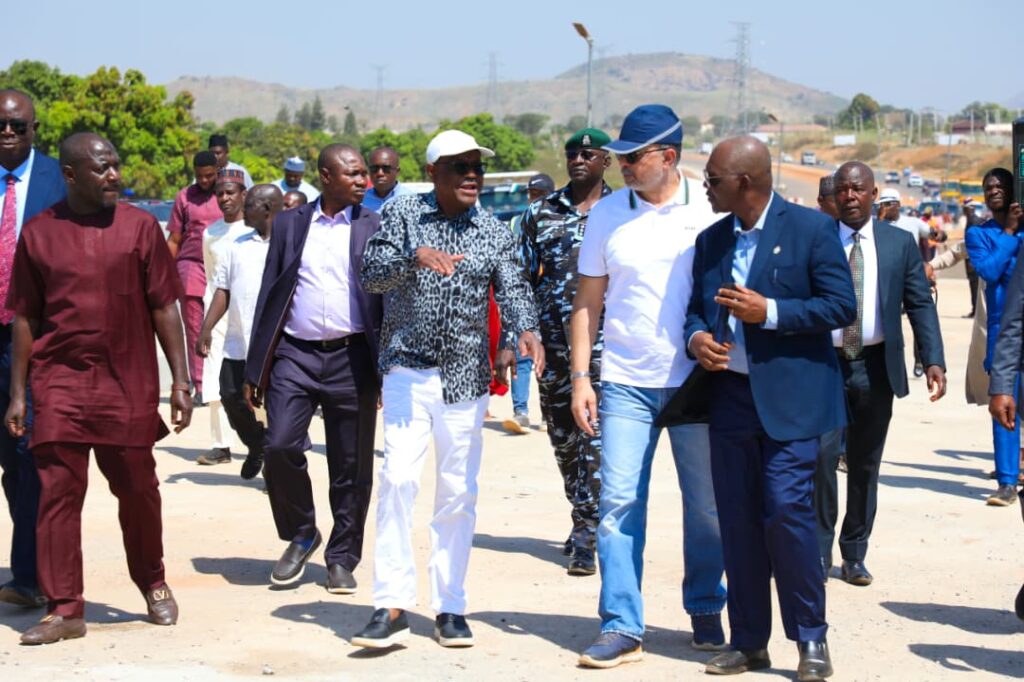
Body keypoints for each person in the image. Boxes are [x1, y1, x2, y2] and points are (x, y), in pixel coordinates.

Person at [352, 129, 542, 649]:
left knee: (457, 490)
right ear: (434, 172)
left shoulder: (494, 231)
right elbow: (370, 274)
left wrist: (525, 329)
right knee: (397, 481)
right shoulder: (403, 215)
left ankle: (450, 607)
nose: (472, 176)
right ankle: (390, 604)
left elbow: (515, 288)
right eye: (460, 167)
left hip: (465, 378)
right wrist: (414, 256)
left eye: (477, 167)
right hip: (407, 372)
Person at [5, 132, 193, 644]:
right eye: (102, 168)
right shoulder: (40, 233)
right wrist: (20, 393)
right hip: (60, 381)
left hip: (126, 381)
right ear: (70, 175)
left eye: (115, 165)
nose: (114, 175)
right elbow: (26, 316)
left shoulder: (139, 228)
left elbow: (163, 306)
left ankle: (152, 583)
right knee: (57, 497)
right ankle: (66, 608)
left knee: (138, 490)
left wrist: (181, 379)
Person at [687, 136, 856, 679]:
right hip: (731, 401)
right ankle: (749, 642)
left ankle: (811, 639)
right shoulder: (711, 240)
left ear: (744, 182)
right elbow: (693, 311)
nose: (706, 187)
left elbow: (840, 306)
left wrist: (772, 311)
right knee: (735, 522)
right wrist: (696, 340)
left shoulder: (811, 230)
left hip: (792, 403)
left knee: (787, 514)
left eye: (713, 179)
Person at [569, 105, 726, 669]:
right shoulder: (607, 215)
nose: (623, 164)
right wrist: (581, 379)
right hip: (626, 385)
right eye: (621, 155)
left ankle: (707, 606)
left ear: (669, 157)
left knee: (707, 507)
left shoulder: (710, 210)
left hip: (696, 386)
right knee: (617, 503)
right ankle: (621, 625)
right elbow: (587, 303)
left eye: (634, 156)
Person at [244, 144, 382, 591]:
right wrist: (255, 368)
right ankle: (302, 532)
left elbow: (385, 300)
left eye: (365, 173)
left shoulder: (372, 226)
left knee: (351, 465)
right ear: (326, 176)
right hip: (295, 355)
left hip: (353, 357)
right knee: (280, 445)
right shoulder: (288, 224)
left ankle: (342, 557)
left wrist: (386, 369)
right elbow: (271, 292)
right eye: (354, 173)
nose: (364, 180)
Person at [814, 162, 946, 588]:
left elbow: (919, 303)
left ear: (873, 195)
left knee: (865, 464)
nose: (850, 196)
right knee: (819, 459)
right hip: (823, 365)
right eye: (842, 189)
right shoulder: (816, 240)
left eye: (858, 189)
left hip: (875, 366)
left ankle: (854, 554)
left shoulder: (899, 243)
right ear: (834, 195)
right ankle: (817, 552)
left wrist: (933, 359)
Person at [502, 133, 610, 575]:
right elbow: (519, 279)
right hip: (553, 347)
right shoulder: (539, 213)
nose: (578, 160)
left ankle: (587, 534)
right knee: (565, 441)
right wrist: (522, 333)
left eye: (587, 154)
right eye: (572, 154)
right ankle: (580, 511)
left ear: (606, 160)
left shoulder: (621, 212)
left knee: (596, 441)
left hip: (606, 347)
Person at [0, 89, 66, 610]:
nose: (7, 132)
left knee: (32, 453)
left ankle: (30, 574)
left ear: (33, 129)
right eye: (0, 124)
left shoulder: (55, 180)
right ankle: (34, 555)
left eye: (17, 126)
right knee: (11, 461)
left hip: (38, 340)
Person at [197, 184, 283, 481]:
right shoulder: (237, 245)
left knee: (275, 408)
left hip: (276, 345)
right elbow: (223, 288)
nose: (243, 210)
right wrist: (206, 328)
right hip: (237, 343)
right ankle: (256, 443)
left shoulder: (288, 245)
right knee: (230, 396)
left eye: (250, 206)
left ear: (267, 210)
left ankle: (275, 471)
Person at [965, 168, 1023, 506]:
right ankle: (1006, 482)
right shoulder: (980, 234)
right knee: (1004, 406)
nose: (994, 191)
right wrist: (1011, 232)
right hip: (1003, 333)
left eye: (1001, 186)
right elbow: (989, 271)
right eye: (988, 187)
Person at [193, 169, 253, 471]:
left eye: (231, 192)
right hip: (218, 316)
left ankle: (264, 446)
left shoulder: (256, 229)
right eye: (220, 194)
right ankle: (221, 444)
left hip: (250, 315)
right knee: (217, 380)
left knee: (255, 381)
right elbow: (211, 275)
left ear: (244, 194)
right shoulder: (211, 233)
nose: (225, 198)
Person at [501, 172, 555, 435]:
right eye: (532, 195)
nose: (535, 200)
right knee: (522, 354)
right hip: (521, 298)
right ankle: (520, 412)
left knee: (547, 355)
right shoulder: (514, 223)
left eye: (540, 196)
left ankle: (547, 413)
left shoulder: (559, 221)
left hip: (549, 300)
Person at [167, 151, 222, 403]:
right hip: (191, 266)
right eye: (199, 176)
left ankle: (222, 382)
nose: (204, 180)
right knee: (194, 328)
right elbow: (175, 239)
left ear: (218, 171)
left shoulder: (227, 194)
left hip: (221, 266)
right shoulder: (184, 197)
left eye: (209, 176)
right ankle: (199, 385)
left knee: (220, 328)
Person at [361, 146, 414, 212]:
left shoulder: (411, 200)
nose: (380, 173)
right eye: (374, 168)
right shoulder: (360, 201)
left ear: (397, 172)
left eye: (386, 168)